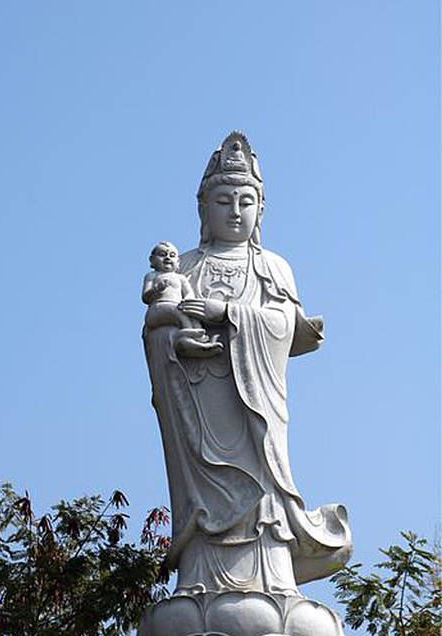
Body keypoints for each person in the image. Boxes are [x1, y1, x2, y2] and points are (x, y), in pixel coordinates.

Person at [142, 131, 351, 596]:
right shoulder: (186, 268)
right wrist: (176, 338)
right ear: (204, 209)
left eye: (245, 201)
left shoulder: (272, 267)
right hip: (200, 404)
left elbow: (284, 324)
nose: (235, 211)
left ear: (260, 211)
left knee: (262, 495)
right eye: (223, 201)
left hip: (254, 407)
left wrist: (228, 315)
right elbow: (158, 325)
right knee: (205, 490)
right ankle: (200, 571)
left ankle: (270, 573)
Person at [142, 241, 223, 358]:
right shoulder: (152, 276)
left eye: (172, 255)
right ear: (152, 260)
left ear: (178, 262)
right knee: (180, 313)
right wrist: (156, 290)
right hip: (157, 310)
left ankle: (200, 341)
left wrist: (188, 301)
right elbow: (145, 296)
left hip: (176, 308)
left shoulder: (180, 278)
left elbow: (189, 292)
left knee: (192, 314)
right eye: (162, 254)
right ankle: (190, 337)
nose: (167, 258)